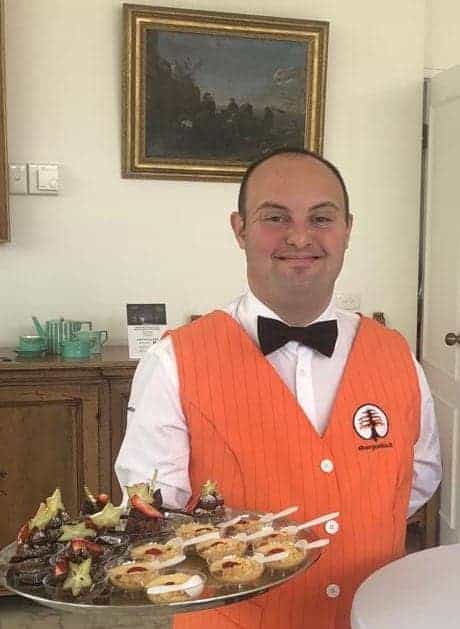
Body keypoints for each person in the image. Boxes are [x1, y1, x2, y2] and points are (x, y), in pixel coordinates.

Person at [115, 148, 441, 629]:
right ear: (240, 229)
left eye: (321, 217)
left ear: (347, 228)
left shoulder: (396, 355)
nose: (300, 236)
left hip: (373, 615)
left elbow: (418, 480)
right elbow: (151, 513)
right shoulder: (174, 362)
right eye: (275, 217)